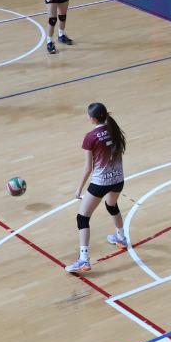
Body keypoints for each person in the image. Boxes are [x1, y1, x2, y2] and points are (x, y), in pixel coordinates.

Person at [67, 101, 127, 273]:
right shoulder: (114, 129)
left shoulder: (91, 137)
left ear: (92, 118)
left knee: (82, 218)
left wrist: (79, 189)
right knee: (112, 206)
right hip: (118, 179)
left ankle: (84, 260)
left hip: (100, 183)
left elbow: (88, 168)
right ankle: (121, 238)